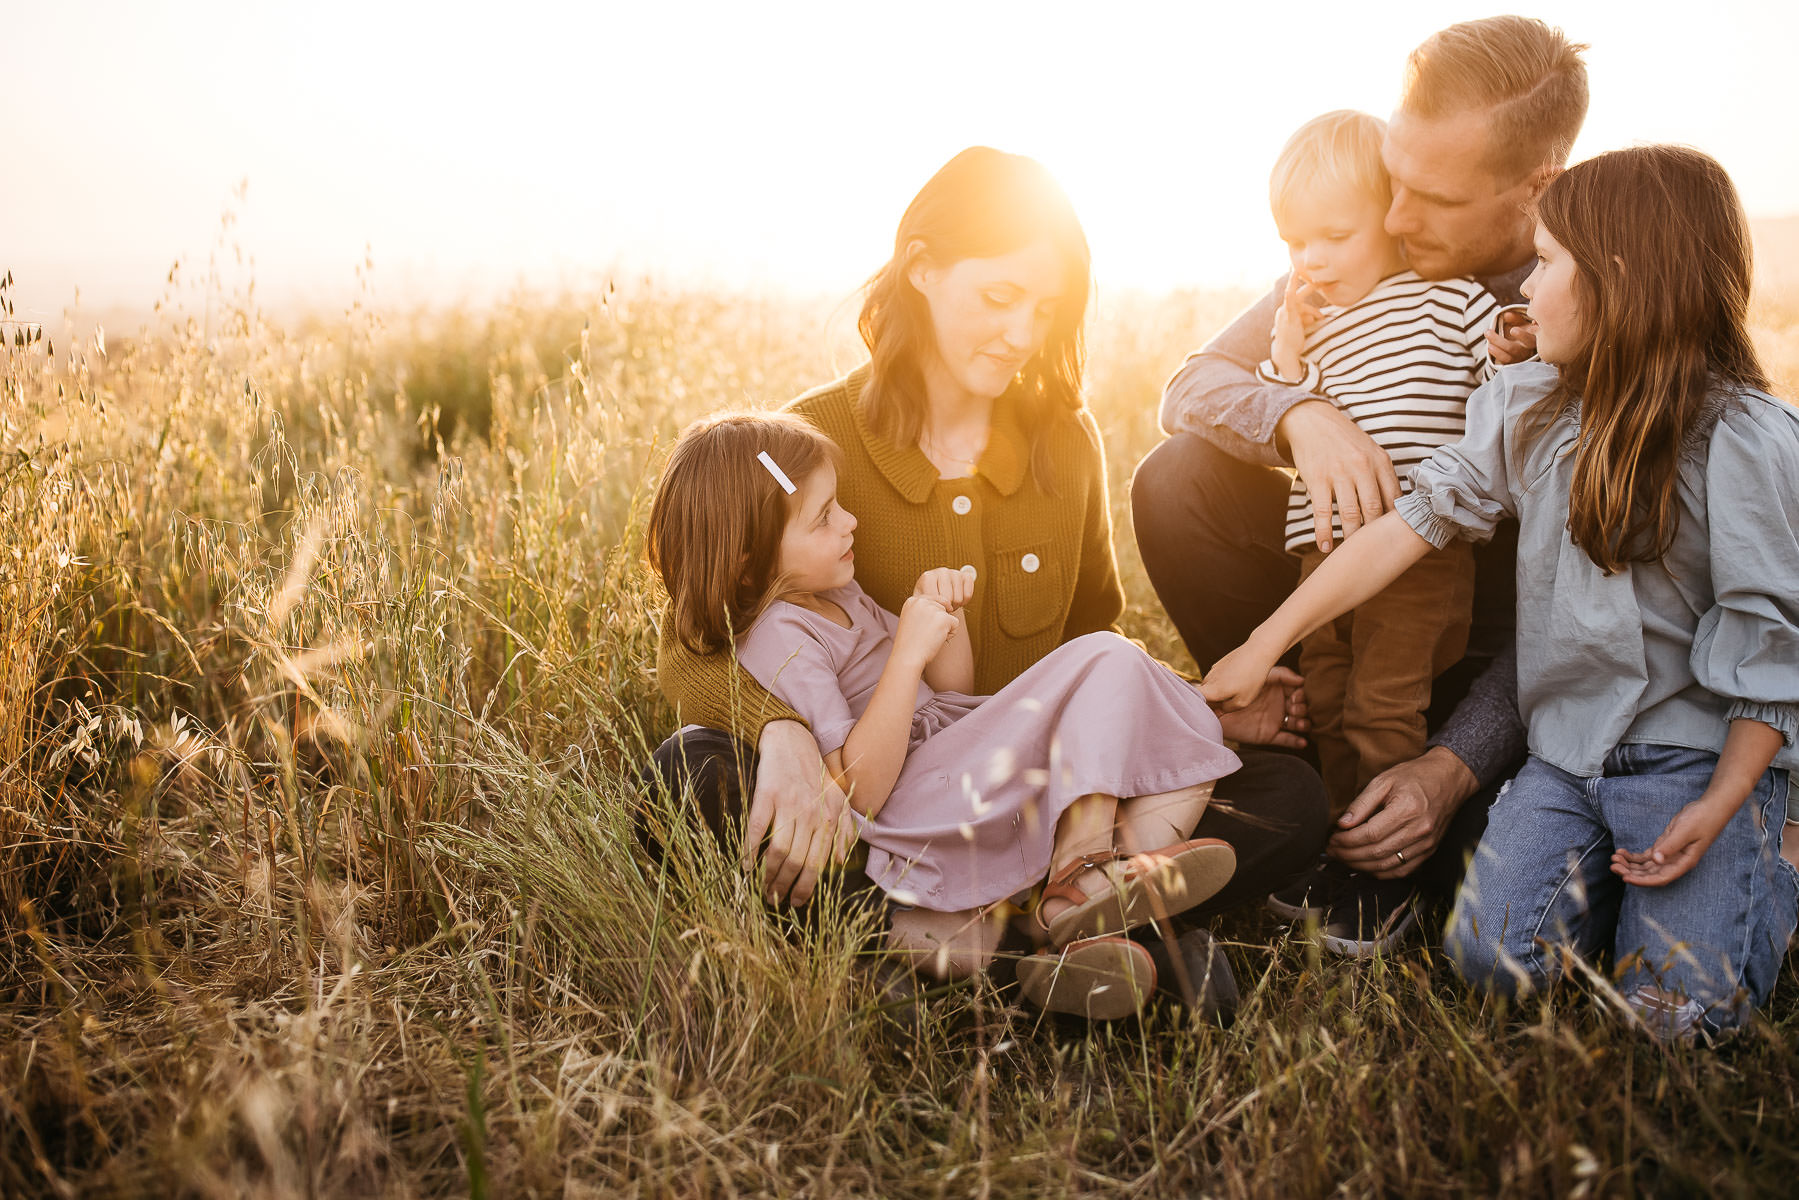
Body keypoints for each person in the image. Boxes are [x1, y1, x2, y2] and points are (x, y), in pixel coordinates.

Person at [647, 146, 1328, 1018]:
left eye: (1046, 309)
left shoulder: (1064, 442)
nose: (1023, 334)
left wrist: (1197, 707)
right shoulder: (812, 444)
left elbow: (1091, 646)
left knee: (1286, 797)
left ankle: (1010, 940)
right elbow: (697, 638)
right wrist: (780, 734)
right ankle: (1073, 956)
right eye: (999, 297)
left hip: (1039, 789)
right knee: (689, 769)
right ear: (921, 268)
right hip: (890, 803)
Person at [1202, 145, 1799, 1041]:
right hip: (1565, 759)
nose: (1523, 287)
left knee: (1675, 1021)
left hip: (1696, 763)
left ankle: (1775, 855)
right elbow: (1405, 526)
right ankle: (1648, 904)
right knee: (1491, 962)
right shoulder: (1527, 407)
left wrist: (1722, 803)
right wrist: (1262, 643)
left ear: (1615, 280)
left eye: (1546, 263)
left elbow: (1770, 645)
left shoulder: (1745, 439)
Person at [1133, 16, 1589, 954]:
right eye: (1392, 178)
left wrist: (1451, 767)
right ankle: (1292, 728)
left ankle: (1393, 816)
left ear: (1535, 188)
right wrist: (1301, 415)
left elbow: (1580, 612)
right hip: (1338, 578)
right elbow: (1191, 388)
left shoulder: (1566, 301)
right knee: (1177, 481)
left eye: (1429, 197)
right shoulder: (1353, 264)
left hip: (1498, 639)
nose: (1394, 218)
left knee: (1494, 913)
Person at [646, 411, 1245, 1016]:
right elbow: (858, 789)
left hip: (954, 754)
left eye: (840, 504)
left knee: (1182, 720)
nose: (850, 521)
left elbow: (952, 689)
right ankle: (1084, 885)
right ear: (748, 561)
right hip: (917, 796)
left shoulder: (837, 594)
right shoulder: (782, 633)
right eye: (824, 517)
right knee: (1109, 660)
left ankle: (1099, 888)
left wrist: (941, 618)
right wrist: (907, 654)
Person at [1253, 108, 1499, 821]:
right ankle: (1341, 827)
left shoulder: (1449, 300)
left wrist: (1514, 351)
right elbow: (1285, 410)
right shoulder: (1317, 327)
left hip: (1413, 551)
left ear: (1391, 218)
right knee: (1326, 697)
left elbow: (1508, 388)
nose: (1311, 259)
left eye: (1335, 237)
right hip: (1322, 550)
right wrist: (1289, 358)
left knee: (1381, 701)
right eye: (1295, 241)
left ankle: (1385, 838)